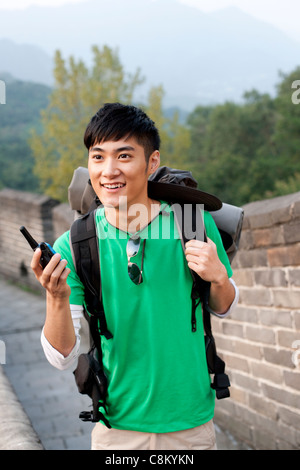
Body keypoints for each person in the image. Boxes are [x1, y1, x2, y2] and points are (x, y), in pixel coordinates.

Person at [31, 102, 238, 451]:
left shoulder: (192, 224)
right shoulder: (77, 244)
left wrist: (219, 278)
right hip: (118, 429)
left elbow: (222, 307)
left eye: (124, 156)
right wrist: (56, 298)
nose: (109, 170)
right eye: (98, 157)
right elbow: (62, 357)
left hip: (191, 423)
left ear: (151, 162)